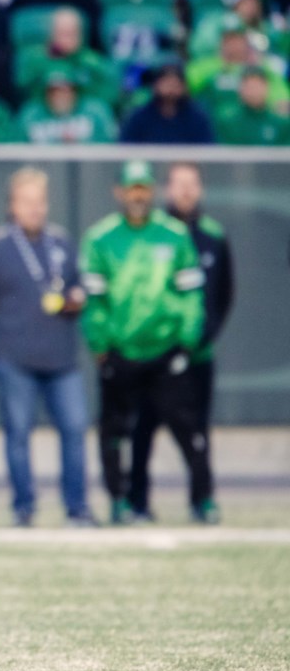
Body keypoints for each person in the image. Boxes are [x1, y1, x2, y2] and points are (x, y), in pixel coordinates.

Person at [80, 160, 211, 525]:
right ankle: (120, 500)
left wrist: (186, 341)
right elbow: (96, 300)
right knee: (114, 433)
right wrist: (101, 344)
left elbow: (191, 294)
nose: (138, 195)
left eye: (143, 187)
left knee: (188, 430)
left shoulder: (173, 234)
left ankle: (203, 499)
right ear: (119, 192)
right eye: (131, 188)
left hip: (165, 352)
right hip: (121, 353)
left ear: (152, 191)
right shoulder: (101, 238)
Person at [0, 168, 95, 527]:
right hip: (15, 360)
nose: (35, 209)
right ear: (12, 206)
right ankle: (24, 507)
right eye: (27, 202)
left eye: (40, 202)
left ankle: (77, 507)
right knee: (18, 435)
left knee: (75, 430)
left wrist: (75, 299)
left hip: (61, 359)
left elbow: (78, 287)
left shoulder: (61, 243)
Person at [129, 163, 232, 522]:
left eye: (192, 183)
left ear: (201, 188)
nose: (186, 191)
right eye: (179, 184)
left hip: (197, 354)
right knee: (143, 427)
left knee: (196, 432)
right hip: (156, 353)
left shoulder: (213, 234)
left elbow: (222, 295)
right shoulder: (155, 233)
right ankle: (137, 501)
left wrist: (200, 339)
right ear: (167, 189)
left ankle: (202, 499)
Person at [119, 59, 216, 144]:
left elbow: (205, 148)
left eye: (175, 83)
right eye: (166, 83)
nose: (170, 89)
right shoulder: (139, 116)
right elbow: (126, 146)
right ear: (155, 85)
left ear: (184, 87)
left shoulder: (197, 117)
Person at [18, 66, 118, 144]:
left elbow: (109, 145)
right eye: (54, 91)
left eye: (66, 90)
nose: (60, 96)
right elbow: (15, 149)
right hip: (41, 168)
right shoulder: (31, 114)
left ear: (75, 90)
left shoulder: (95, 111)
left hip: (89, 168)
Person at [212, 65, 290, 144]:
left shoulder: (282, 124)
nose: (253, 91)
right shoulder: (227, 123)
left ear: (267, 87)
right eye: (248, 86)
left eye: (257, 86)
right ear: (240, 89)